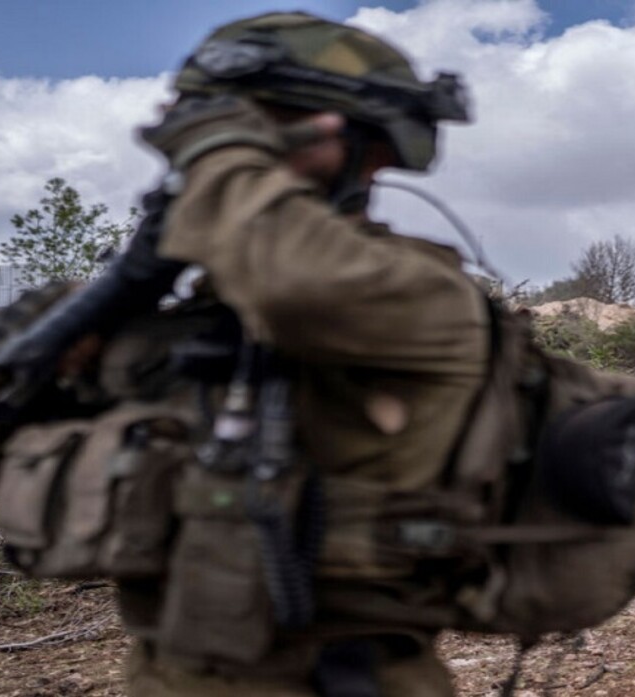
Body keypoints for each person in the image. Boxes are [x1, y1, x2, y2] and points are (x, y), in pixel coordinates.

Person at [106, 12, 481, 695]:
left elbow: (293, 284)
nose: (227, 151)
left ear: (367, 150)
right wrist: (103, 305)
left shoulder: (422, 295)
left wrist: (220, 158)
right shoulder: (185, 315)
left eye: (258, 129)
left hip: (353, 678)